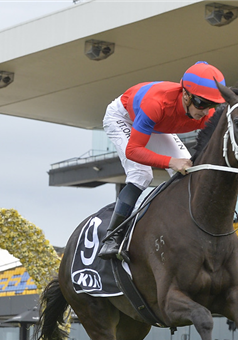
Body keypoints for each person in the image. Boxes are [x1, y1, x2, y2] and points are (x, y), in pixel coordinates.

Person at [97, 61, 226, 261]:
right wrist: (170, 162)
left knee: (188, 169)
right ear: (185, 94)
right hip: (124, 117)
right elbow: (133, 150)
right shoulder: (156, 104)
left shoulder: (204, 113)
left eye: (212, 105)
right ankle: (111, 239)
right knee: (141, 174)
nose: (205, 111)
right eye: (202, 103)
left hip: (156, 125)